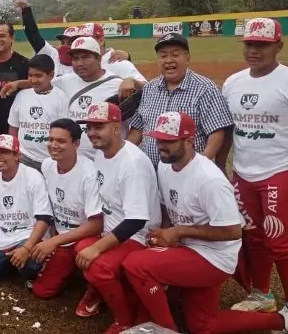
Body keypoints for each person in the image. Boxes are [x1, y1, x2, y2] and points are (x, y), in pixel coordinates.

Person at [122, 112, 243, 334]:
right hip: (189, 249)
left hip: (213, 258)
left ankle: (166, 329)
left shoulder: (209, 179)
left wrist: (178, 231)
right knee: (203, 327)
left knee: (136, 264)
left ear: (189, 141)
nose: (161, 146)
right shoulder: (165, 165)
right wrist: (168, 231)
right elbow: (168, 206)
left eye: (168, 140)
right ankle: (281, 320)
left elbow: (233, 231)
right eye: (159, 139)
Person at [75, 102, 161, 334]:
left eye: (99, 127)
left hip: (138, 235)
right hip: (112, 226)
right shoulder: (102, 153)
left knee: (96, 265)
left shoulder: (131, 163)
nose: (92, 132)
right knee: (80, 246)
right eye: (89, 127)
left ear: (116, 127)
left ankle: (124, 321)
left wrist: (98, 248)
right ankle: (102, 291)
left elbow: (136, 220)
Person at [221, 17, 288, 313]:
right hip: (243, 174)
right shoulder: (233, 82)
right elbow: (226, 130)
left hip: (279, 171)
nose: (253, 50)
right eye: (249, 44)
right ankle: (263, 295)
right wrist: (220, 165)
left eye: (261, 44)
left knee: (280, 242)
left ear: (278, 45)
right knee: (254, 237)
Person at [128, 33, 233, 167]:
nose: (169, 60)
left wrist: (200, 166)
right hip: (152, 173)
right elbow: (137, 129)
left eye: (175, 55)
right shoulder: (149, 88)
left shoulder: (205, 88)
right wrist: (125, 155)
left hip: (187, 172)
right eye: (163, 55)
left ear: (188, 58)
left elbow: (216, 133)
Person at [29, 119, 103, 307]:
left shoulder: (89, 173)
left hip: (84, 237)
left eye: (61, 141)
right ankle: (67, 269)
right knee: (41, 290)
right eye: (50, 139)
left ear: (76, 144)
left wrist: (54, 242)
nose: (53, 145)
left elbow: (97, 224)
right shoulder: (47, 165)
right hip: (60, 236)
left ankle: (95, 287)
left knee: (79, 251)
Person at [0, 134, 52, 285]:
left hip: (30, 235)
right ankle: (13, 261)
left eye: (4, 152)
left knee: (30, 265)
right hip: (6, 237)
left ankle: (27, 264)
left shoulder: (33, 177)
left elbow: (44, 218)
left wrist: (27, 248)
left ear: (17, 155)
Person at [52, 37, 139, 160]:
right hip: (77, 162)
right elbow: (40, 83)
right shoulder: (66, 80)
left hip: (109, 160)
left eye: (85, 57)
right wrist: (18, 84)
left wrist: (123, 153)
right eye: (75, 58)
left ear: (98, 59)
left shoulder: (117, 85)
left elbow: (139, 121)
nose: (79, 63)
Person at [7, 54, 69, 170]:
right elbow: (13, 127)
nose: (33, 80)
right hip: (24, 158)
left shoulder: (60, 97)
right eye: (30, 75)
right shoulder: (22, 95)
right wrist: (14, 151)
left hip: (50, 159)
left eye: (38, 76)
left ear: (51, 75)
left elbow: (64, 130)